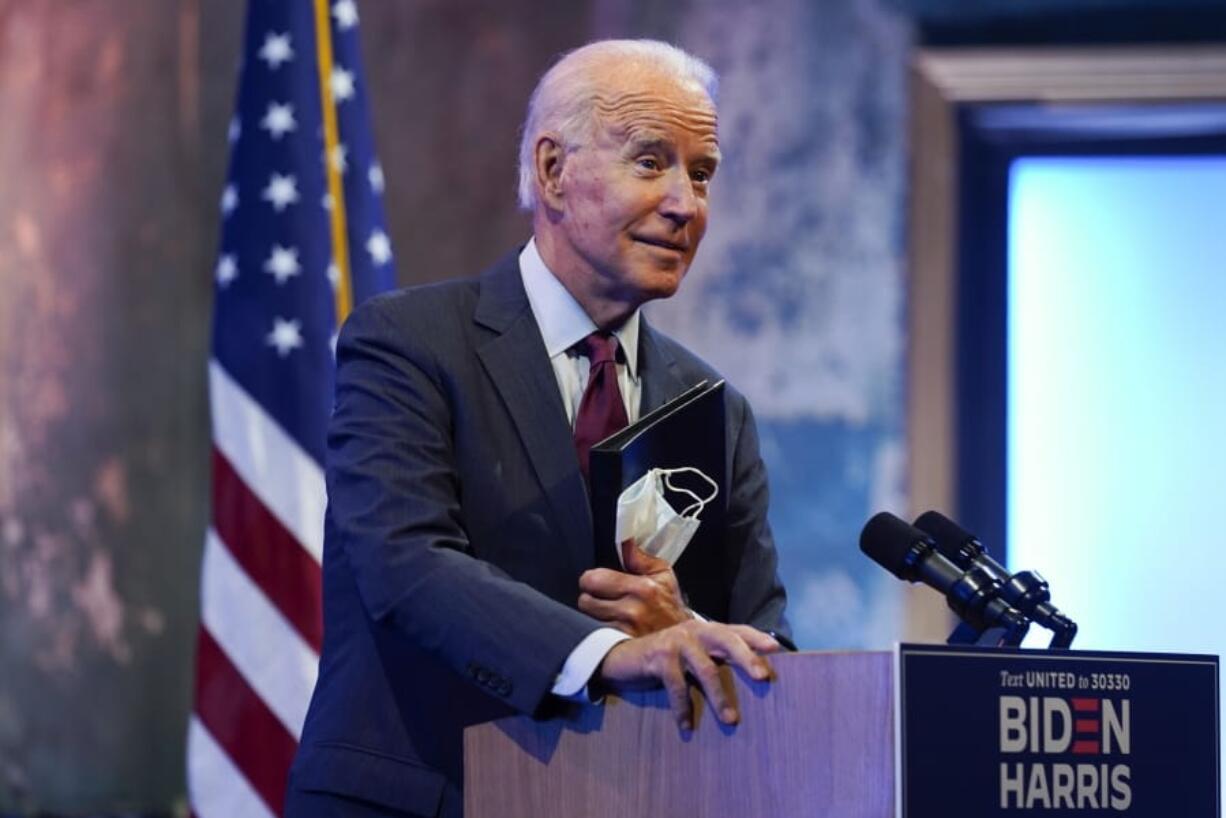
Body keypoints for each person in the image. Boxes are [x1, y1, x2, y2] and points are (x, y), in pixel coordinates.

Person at [286, 39, 790, 818]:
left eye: (701, 173)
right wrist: (615, 653)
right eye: (651, 161)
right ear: (554, 171)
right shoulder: (409, 342)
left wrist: (683, 626)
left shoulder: (713, 407)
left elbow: (765, 644)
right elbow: (406, 562)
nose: (686, 203)